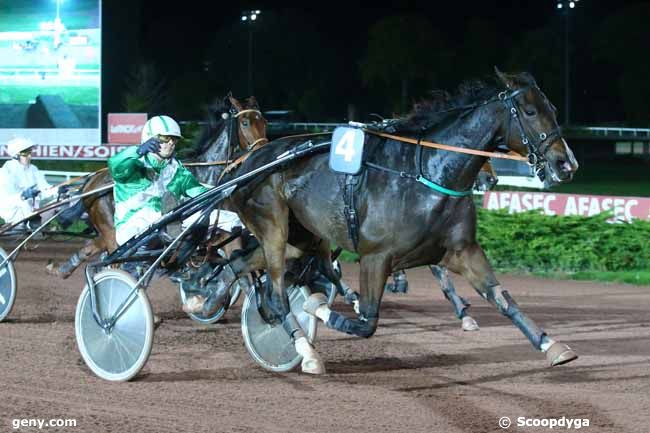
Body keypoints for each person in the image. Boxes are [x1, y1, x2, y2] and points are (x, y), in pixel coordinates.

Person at [108, 115, 233, 315]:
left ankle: (197, 260)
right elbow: (115, 167)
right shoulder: (134, 164)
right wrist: (138, 151)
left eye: (174, 140)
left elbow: (196, 192)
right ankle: (179, 249)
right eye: (165, 139)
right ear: (150, 139)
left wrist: (223, 193)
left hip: (164, 222)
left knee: (224, 218)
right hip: (133, 227)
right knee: (168, 214)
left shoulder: (176, 169)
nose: (171, 144)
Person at [0, 137, 58, 229]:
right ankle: (32, 225)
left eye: (30, 153)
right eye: (26, 154)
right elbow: (5, 199)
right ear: (16, 155)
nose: (30, 156)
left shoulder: (33, 169)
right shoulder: (6, 171)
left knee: (62, 199)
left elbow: (45, 188)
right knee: (25, 202)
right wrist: (22, 196)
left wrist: (58, 190)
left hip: (34, 208)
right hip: (14, 212)